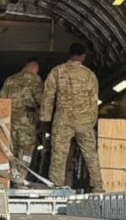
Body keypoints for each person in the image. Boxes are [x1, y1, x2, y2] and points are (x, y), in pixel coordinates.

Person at [40, 43, 103, 191]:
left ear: (70, 54)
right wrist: (92, 121)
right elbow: (94, 100)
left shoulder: (57, 71)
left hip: (63, 120)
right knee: (90, 155)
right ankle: (97, 186)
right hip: (84, 121)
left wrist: (45, 119)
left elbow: (48, 96)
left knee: (59, 154)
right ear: (83, 56)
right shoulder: (89, 74)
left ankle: (56, 186)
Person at [0, 58, 44, 168]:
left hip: (10, 123)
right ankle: (20, 181)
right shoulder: (35, 79)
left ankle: (9, 179)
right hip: (27, 124)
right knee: (25, 153)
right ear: (34, 66)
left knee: (10, 152)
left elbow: (1, 101)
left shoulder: (10, 80)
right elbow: (42, 100)